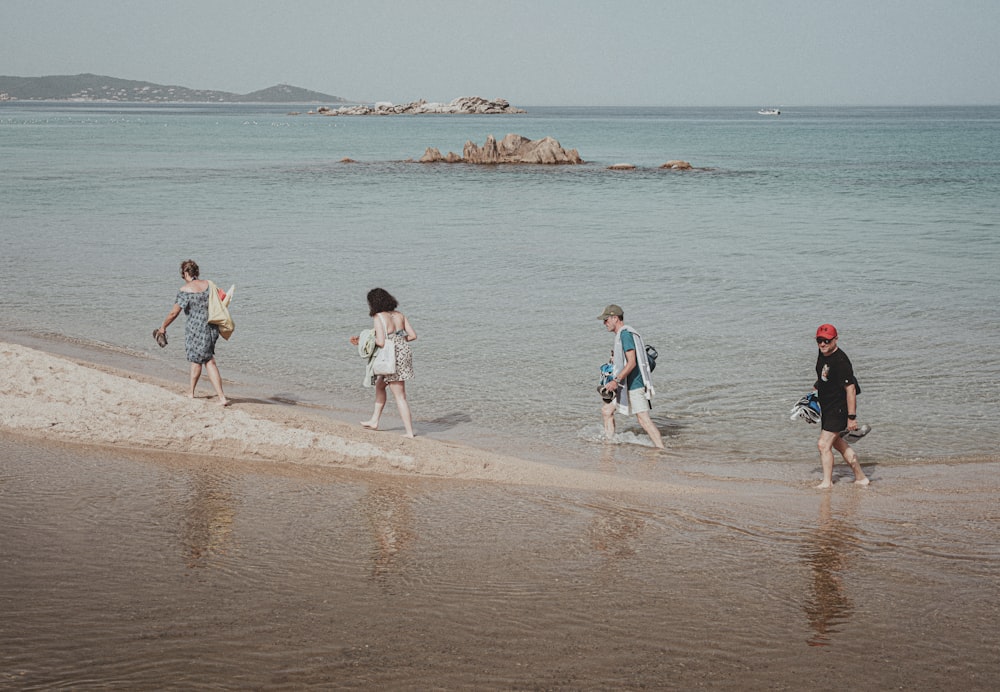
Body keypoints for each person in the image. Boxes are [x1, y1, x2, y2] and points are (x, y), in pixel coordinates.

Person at [155, 259, 230, 407]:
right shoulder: (209, 284)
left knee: (203, 361)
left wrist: (163, 327)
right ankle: (198, 393)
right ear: (196, 272)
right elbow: (221, 299)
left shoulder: (185, 290)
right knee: (203, 360)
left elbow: (173, 313)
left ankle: (214, 396)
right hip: (211, 328)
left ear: (184, 273)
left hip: (196, 330)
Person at [349, 288, 417, 437]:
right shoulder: (399, 315)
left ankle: (409, 432)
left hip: (392, 357)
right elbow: (412, 336)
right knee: (380, 386)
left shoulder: (378, 317)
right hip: (404, 353)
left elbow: (380, 342)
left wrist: (362, 341)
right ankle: (374, 421)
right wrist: (398, 340)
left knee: (400, 395)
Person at [598, 304, 664, 449]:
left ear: (615, 318)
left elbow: (632, 362)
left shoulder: (625, 334)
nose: (604, 323)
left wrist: (615, 381)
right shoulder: (621, 335)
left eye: (606, 320)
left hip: (633, 384)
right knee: (607, 410)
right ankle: (609, 444)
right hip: (624, 383)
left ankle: (661, 449)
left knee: (643, 420)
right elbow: (627, 360)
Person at [813, 324, 869, 488]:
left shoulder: (841, 361)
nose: (822, 344)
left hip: (838, 408)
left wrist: (851, 418)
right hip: (827, 406)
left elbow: (851, 389)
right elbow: (824, 374)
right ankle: (861, 477)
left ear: (835, 339)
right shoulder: (823, 352)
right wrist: (816, 389)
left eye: (827, 341)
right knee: (837, 443)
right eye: (819, 340)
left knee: (823, 444)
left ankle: (826, 482)